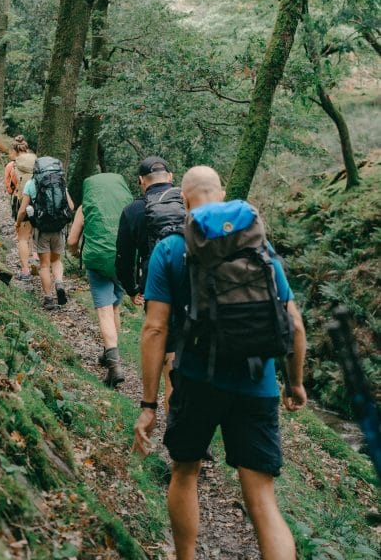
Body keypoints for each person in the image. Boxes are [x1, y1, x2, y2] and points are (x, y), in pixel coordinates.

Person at [133, 165, 307, 560]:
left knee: (185, 471)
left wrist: (147, 405)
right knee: (262, 499)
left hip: (196, 381)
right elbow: (295, 325)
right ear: (223, 193)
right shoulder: (257, 246)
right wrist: (294, 383)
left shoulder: (172, 247)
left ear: (184, 199)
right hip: (257, 384)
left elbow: (154, 330)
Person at [116, 155, 179, 405]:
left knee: (169, 355)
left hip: (156, 287)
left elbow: (123, 258)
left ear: (141, 181)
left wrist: (132, 289)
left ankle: (173, 425)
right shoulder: (189, 202)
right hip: (193, 290)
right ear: (171, 178)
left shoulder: (133, 210)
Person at [67, 172, 133, 388]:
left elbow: (72, 240)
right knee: (115, 306)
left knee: (104, 309)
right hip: (123, 262)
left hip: (97, 261)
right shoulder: (127, 206)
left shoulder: (86, 207)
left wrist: (76, 253)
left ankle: (114, 366)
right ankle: (110, 352)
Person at [17, 157, 74, 311]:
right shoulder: (59, 182)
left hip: (42, 230)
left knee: (44, 265)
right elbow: (71, 206)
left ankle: (48, 298)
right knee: (56, 261)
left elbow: (22, 210)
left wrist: (18, 222)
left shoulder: (31, 183)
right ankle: (59, 283)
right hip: (58, 228)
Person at [4, 136, 37, 283]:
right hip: (40, 204)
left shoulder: (12, 166)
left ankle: (25, 270)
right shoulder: (37, 163)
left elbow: (9, 189)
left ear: (13, 150)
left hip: (22, 201)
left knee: (22, 237)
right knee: (35, 231)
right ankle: (35, 256)